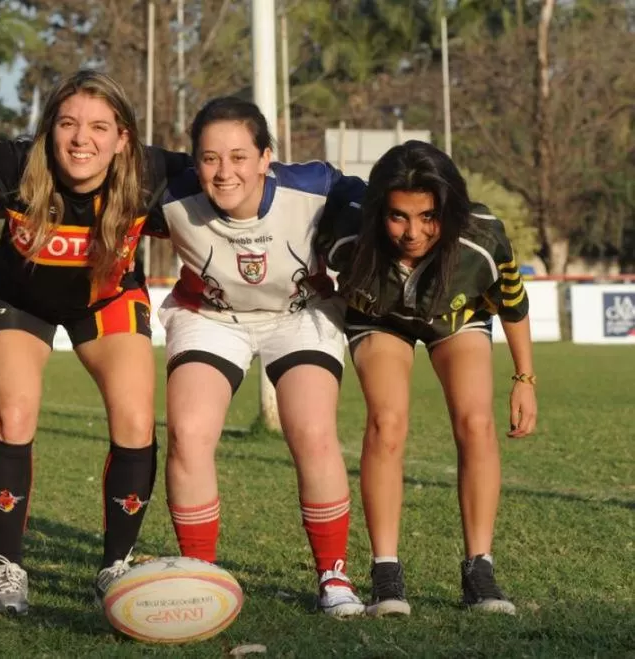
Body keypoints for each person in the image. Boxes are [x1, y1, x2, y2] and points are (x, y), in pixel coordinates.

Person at [0, 70, 191, 614]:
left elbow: (238, 175)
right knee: (14, 413)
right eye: (67, 123)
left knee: (136, 421)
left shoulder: (154, 173)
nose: (81, 139)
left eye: (98, 126)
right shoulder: (12, 165)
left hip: (106, 299)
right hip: (16, 299)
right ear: (49, 130)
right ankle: (9, 569)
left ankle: (115, 567)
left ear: (123, 138)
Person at [144, 96, 367, 617]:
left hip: (300, 314)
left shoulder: (316, 186)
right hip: (211, 317)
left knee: (312, 431)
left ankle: (334, 575)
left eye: (239, 156)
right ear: (194, 160)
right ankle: (202, 577)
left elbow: (384, 205)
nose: (224, 172)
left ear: (267, 157)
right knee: (190, 432)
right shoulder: (170, 196)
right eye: (210, 158)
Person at [315, 140, 537, 617]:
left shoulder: (484, 238)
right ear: (378, 210)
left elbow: (514, 306)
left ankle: (480, 570)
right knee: (386, 422)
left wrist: (525, 378)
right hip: (380, 319)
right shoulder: (344, 235)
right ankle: (386, 574)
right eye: (398, 216)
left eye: (429, 216)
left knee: (476, 422)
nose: (413, 232)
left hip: (457, 320)